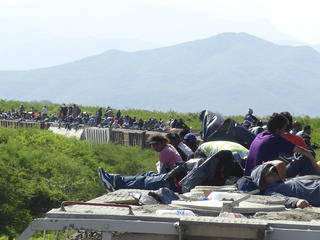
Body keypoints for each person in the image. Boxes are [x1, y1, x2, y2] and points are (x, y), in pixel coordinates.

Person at [244, 113, 320, 176]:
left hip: (251, 175)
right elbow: (305, 152)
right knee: (306, 157)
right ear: (277, 130)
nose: (284, 132)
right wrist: (316, 167)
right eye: (283, 129)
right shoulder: (275, 139)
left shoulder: (261, 135)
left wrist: (290, 164)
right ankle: (315, 183)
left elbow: (276, 157)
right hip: (265, 177)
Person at [241, 163, 320, 209]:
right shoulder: (269, 191)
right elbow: (281, 199)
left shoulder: (283, 182)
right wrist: (296, 202)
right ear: (262, 181)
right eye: (269, 174)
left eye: (274, 171)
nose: (274, 174)